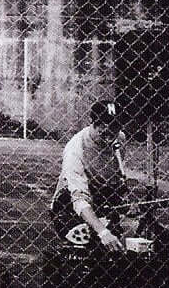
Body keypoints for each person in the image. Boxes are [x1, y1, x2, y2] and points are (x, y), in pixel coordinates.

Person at [51, 100, 130, 251]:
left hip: (103, 197)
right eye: (104, 132)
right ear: (92, 123)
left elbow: (116, 177)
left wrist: (124, 198)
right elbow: (78, 198)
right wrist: (103, 232)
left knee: (114, 248)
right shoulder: (75, 149)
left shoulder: (120, 138)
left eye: (114, 130)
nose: (110, 138)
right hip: (69, 204)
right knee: (88, 246)